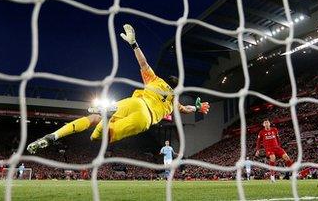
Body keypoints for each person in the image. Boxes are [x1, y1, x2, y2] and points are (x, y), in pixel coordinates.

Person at [27, 24, 210, 154]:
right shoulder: (173, 100)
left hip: (136, 102)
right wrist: (198, 108)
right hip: (145, 118)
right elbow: (187, 110)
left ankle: (53, 135)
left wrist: (134, 44)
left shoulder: (155, 80)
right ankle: (105, 118)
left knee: (93, 118)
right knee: (98, 137)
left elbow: (143, 63)